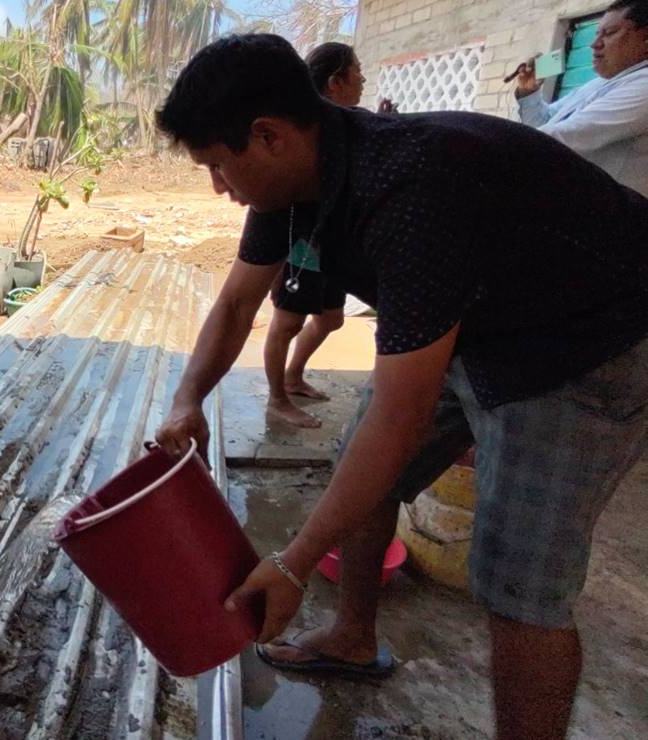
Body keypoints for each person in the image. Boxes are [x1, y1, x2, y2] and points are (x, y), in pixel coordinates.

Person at [153, 32, 648, 740]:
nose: (217, 188)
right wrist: (186, 400)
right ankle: (352, 637)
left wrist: (292, 566)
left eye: (216, 167)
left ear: (268, 137)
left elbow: (400, 414)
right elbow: (236, 304)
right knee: (362, 476)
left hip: (587, 341)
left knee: (519, 579)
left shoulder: (413, 187)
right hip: (479, 320)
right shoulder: (287, 185)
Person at [263, 42, 370, 428]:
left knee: (331, 319)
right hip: (304, 242)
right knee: (287, 323)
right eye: (356, 71)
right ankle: (277, 398)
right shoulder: (307, 129)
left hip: (333, 242)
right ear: (335, 82)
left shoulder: (353, 125)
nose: (362, 79)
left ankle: (293, 377)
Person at [515, 0, 648, 195]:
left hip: (603, 210)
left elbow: (568, 135)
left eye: (609, 33)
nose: (595, 44)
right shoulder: (599, 83)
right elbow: (545, 122)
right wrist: (529, 92)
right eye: (596, 34)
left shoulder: (644, 85)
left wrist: (493, 142)